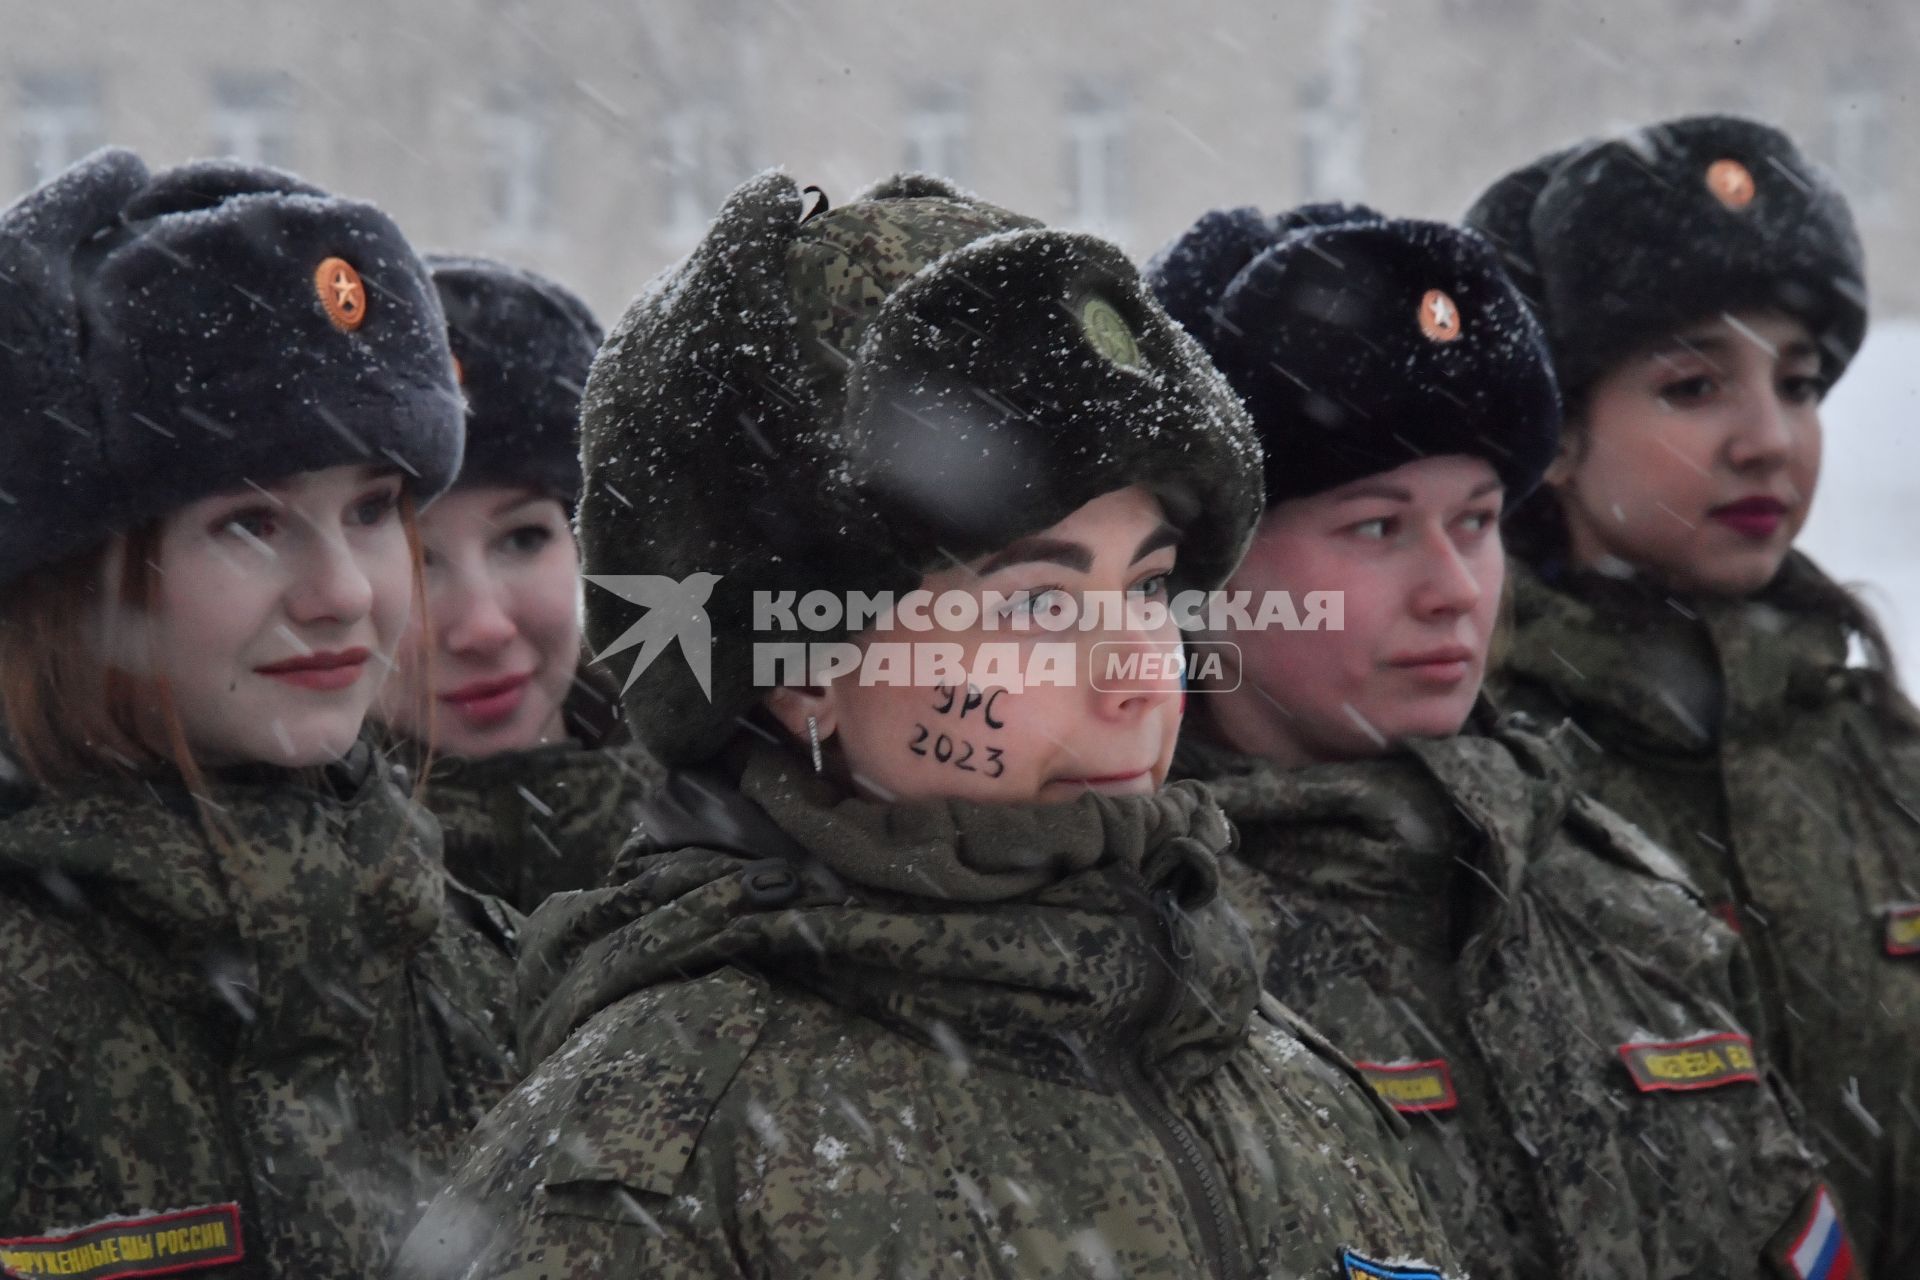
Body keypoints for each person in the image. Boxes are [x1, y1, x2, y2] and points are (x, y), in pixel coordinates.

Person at [396, 171, 1464, 1280]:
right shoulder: (655, 1160)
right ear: (799, 669)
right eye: (1037, 604)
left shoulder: (1280, 1074)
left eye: (1148, 589)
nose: (1136, 677)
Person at [1150, 203, 1853, 1278]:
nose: (1451, 590)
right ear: (1208, 572)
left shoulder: (1609, 894)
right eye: (1378, 526)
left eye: (1475, 520)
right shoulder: (1154, 947)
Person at [0, 149, 519, 1278]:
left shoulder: (475, 965)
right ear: (70, 578)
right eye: (252, 522)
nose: (342, 591)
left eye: (375, 509)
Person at [1466, 113, 1920, 1272]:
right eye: (1693, 385)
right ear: (1554, 435)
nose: (1770, 439)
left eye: (1801, 381)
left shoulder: (1882, 758)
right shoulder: (1472, 780)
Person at [375, 254, 658, 913]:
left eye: (523, 538)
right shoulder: (255, 889)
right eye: (414, 560)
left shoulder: (753, 812)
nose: (484, 626)